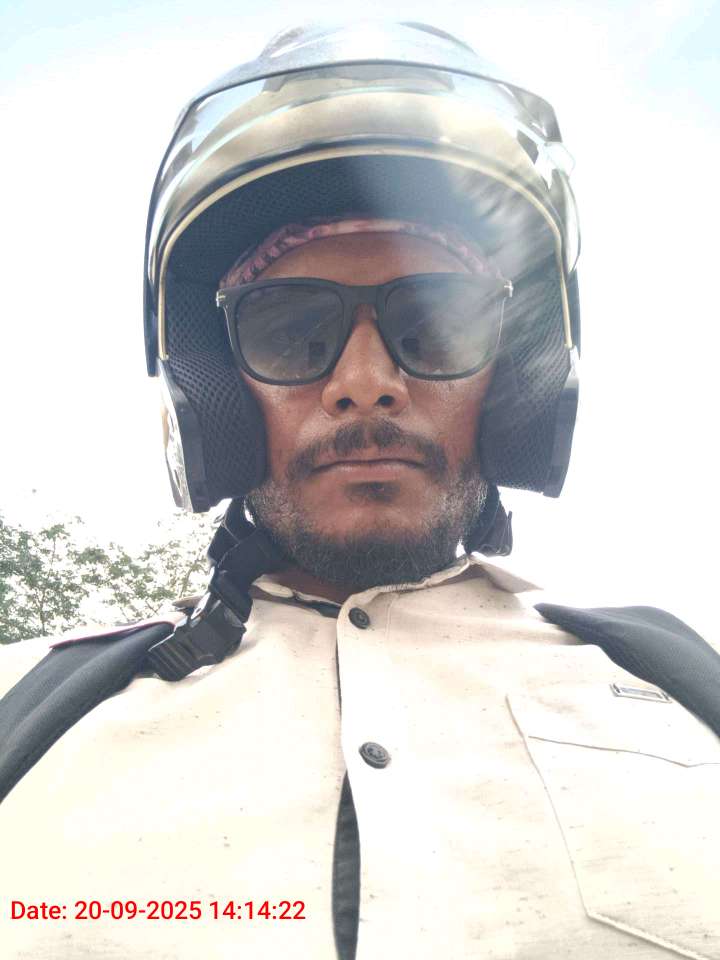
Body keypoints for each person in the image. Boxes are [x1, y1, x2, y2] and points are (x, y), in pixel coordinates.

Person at [1, 20, 718, 960]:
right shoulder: (28, 702)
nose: (366, 383)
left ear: (517, 382)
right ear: (212, 392)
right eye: (292, 332)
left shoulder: (678, 681)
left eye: (439, 325)